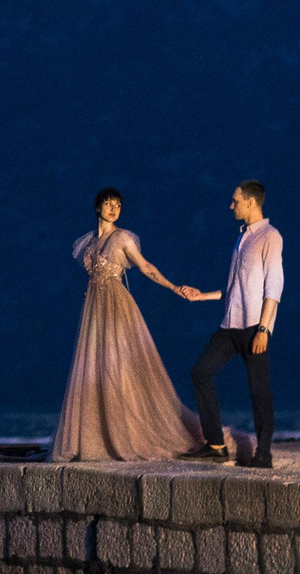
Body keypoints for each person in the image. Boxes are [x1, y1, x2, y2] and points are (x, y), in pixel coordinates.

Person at [51, 187, 215, 462]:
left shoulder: (122, 237)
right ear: (98, 208)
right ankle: (96, 435)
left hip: (116, 306)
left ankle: (126, 433)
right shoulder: (89, 242)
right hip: (94, 308)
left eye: (118, 204)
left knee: (119, 368)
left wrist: (173, 286)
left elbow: (145, 266)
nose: (114, 208)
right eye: (108, 203)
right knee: (94, 368)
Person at [179, 180, 282, 468]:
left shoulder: (270, 236)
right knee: (201, 372)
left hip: (253, 327)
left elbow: (274, 287)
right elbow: (235, 287)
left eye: (235, 201)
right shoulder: (241, 238)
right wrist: (201, 296)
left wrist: (263, 329)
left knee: (259, 390)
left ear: (251, 202)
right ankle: (215, 444)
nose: (231, 205)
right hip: (230, 325)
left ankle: (263, 454)